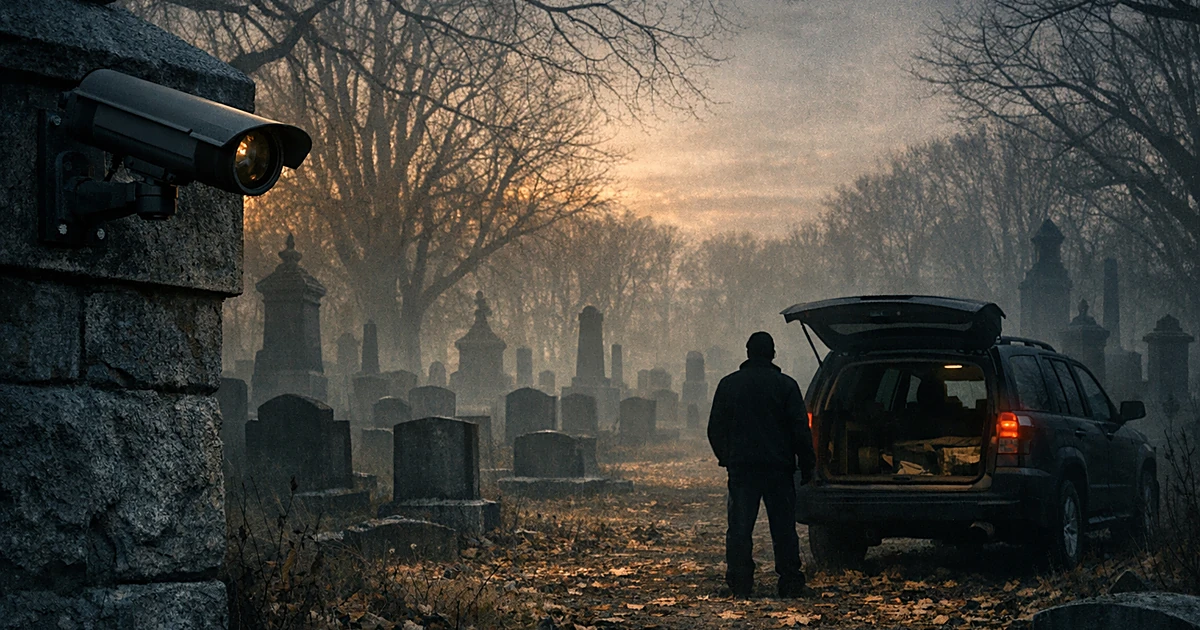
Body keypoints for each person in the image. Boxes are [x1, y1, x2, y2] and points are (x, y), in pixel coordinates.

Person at [707, 331, 815, 598]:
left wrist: (726, 457)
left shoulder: (728, 385)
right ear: (773, 354)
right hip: (778, 468)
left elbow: (715, 429)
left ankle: (740, 583)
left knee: (740, 528)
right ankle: (790, 582)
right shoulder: (787, 386)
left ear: (747, 353)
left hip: (743, 468)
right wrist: (808, 464)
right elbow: (800, 430)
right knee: (783, 529)